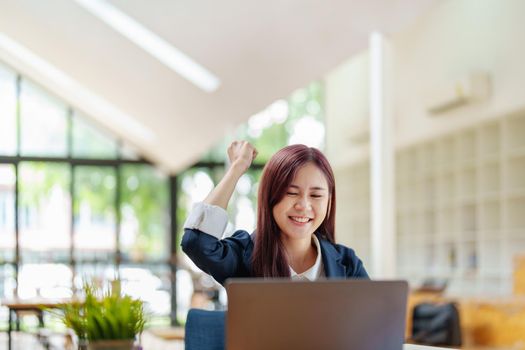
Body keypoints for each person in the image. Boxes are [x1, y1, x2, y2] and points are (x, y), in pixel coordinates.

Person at [181, 140, 368, 285]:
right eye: (292, 193)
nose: (303, 205)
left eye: (316, 195)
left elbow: (374, 321)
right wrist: (237, 168)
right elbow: (196, 243)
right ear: (270, 197)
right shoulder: (246, 255)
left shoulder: (346, 263)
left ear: (329, 201)